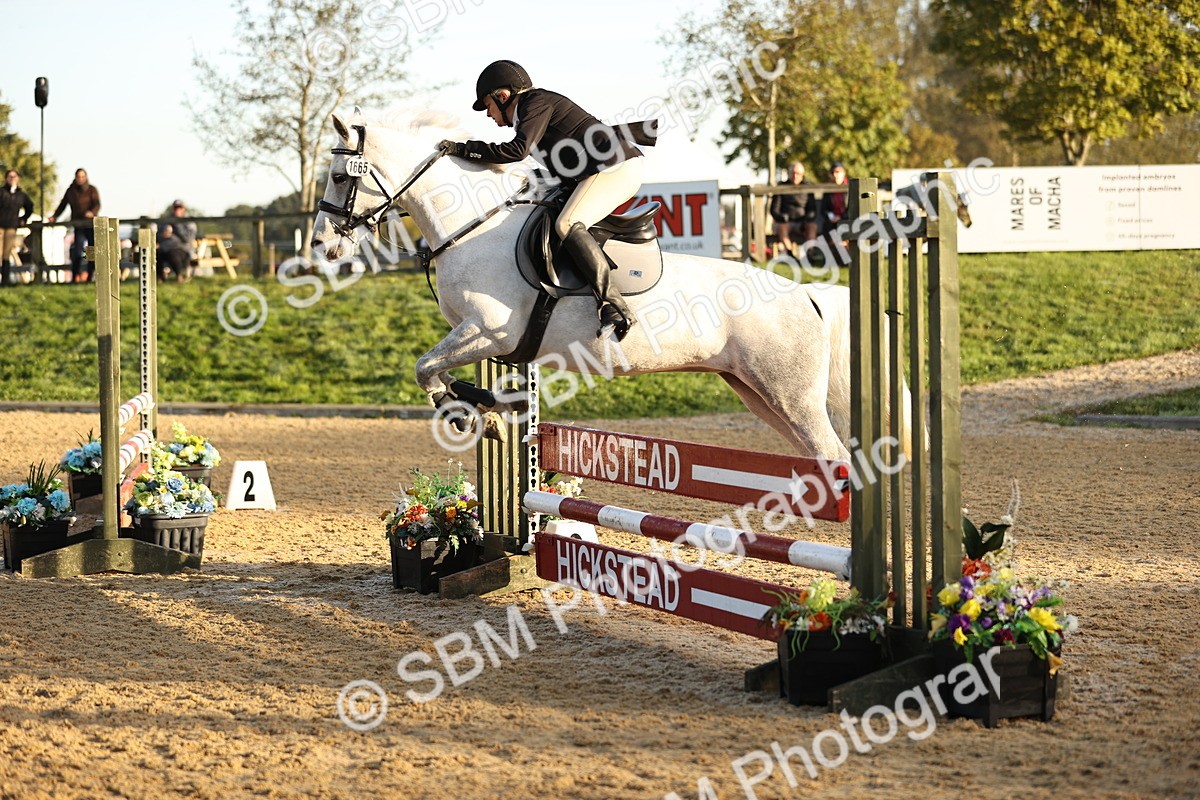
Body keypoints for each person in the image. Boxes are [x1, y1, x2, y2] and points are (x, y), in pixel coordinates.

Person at [438, 60, 656, 341]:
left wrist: (464, 149)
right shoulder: (531, 109)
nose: (489, 114)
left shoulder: (535, 103)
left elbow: (516, 151)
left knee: (567, 223)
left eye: (488, 106)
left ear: (502, 96)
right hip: (600, 168)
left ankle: (613, 306)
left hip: (615, 166)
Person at [48, 168, 101, 283]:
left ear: (86, 177)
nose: (80, 179)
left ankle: (90, 276)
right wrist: (55, 216)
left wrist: (92, 213)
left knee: (91, 251)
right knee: (77, 251)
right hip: (78, 225)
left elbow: (97, 204)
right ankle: (74, 276)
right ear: (75, 178)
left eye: (82, 177)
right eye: (78, 177)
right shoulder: (71, 191)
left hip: (90, 225)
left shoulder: (92, 190)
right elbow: (63, 205)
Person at [769, 161, 817, 256]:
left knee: (812, 226)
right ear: (789, 173)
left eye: (798, 173)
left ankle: (811, 253)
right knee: (782, 226)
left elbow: (812, 210)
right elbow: (774, 210)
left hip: (802, 222)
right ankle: (790, 253)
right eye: (793, 173)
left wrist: (806, 220)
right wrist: (782, 217)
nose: (795, 176)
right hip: (786, 222)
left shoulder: (807, 188)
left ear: (802, 175)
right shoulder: (781, 187)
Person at [0, 169, 34, 286]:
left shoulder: (21, 195)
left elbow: (29, 207)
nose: (12, 179)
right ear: (6, 179)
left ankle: (5, 281)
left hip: (11, 226)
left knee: (6, 253)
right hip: (0, 226)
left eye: (14, 177)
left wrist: (23, 219)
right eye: (10, 177)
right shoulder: (2, 192)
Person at [156, 199, 199, 282]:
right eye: (176, 208)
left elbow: (188, 239)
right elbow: (158, 236)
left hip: (183, 249)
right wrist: (163, 234)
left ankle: (179, 276)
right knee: (157, 254)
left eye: (180, 208)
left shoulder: (189, 222)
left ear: (184, 209)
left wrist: (177, 226)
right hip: (165, 248)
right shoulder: (166, 221)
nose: (177, 210)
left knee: (173, 253)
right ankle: (160, 278)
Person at [818, 161, 849, 236]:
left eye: (837, 172)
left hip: (847, 221)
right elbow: (823, 209)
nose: (835, 175)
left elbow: (852, 209)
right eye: (832, 172)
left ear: (843, 173)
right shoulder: (828, 190)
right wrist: (831, 217)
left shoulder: (849, 188)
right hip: (831, 223)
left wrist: (841, 217)